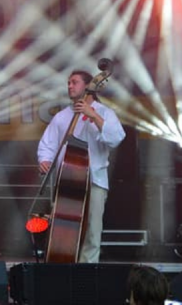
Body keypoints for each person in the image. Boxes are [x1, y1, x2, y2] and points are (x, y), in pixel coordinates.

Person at [37, 69, 126, 263]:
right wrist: (45, 159)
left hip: (94, 180)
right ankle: (62, 267)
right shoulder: (62, 116)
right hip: (66, 182)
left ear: (88, 86)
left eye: (74, 82)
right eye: (68, 83)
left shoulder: (104, 112)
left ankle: (87, 272)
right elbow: (48, 144)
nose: (69, 86)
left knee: (92, 232)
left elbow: (116, 138)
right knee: (63, 231)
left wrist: (92, 115)